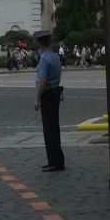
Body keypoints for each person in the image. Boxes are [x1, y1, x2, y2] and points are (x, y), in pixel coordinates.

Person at [34, 32, 65, 172]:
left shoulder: (44, 59)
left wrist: (37, 98)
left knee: (49, 130)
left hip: (48, 95)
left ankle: (55, 162)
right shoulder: (54, 57)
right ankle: (56, 160)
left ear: (39, 43)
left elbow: (43, 80)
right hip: (55, 93)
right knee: (54, 128)